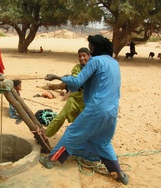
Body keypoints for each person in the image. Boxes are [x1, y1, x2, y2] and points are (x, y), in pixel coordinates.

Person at [39, 34, 129, 185]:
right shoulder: (114, 63)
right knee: (103, 141)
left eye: (91, 48)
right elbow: (94, 82)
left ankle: (50, 159)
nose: (90, 51)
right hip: (112, 111)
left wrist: (57, 77)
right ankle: (120, 173)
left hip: (96, 108)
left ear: (96, 48)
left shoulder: (95, 61)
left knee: (72, 133)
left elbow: (78, 81)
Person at [45, 47, 90, 137]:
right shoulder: (76, 68)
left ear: (89, 56)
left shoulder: (93, 68)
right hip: (75, 98)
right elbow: (76, 80)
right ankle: (46, 134)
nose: (82, 58)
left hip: (87, 101)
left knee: (85, 123)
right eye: (79, 56)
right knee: (61, 116)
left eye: (84, 55)